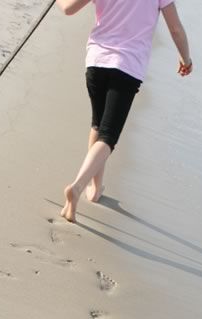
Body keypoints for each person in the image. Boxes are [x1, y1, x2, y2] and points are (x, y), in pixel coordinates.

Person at [55, 0, 192, 222]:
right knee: (108, 137)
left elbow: (69, 8)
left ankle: (95, 188)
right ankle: (78, 187)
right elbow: (175, 28)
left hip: (96, 61)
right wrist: (186, 58)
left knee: (98, 124)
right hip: (127, 66)